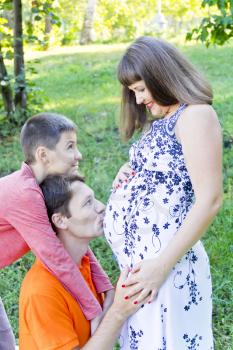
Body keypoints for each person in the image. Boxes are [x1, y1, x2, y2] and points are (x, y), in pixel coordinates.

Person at [104, 36, 222, 349]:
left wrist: (161, 266)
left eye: (141, 88)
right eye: (133, 92)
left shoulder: (195, 115)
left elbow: (210, 199)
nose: (139, 100)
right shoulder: (161, 123)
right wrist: (129, 174)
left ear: (161, 74)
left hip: (167, 268)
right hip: (142, 274)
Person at [0, 113, 113, 348]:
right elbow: (56, 257)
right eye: (70, 147)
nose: (78, 155)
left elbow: (64, 245)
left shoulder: (36, 186)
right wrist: (94, 311)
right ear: (43, 155)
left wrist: (105, 286)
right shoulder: (25, 194)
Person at [19, 174, 149, 349]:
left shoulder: (84, 262)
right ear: (60, 220)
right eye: (88, 203)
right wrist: (119, 312)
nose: (102, 207)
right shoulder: (42, 291)